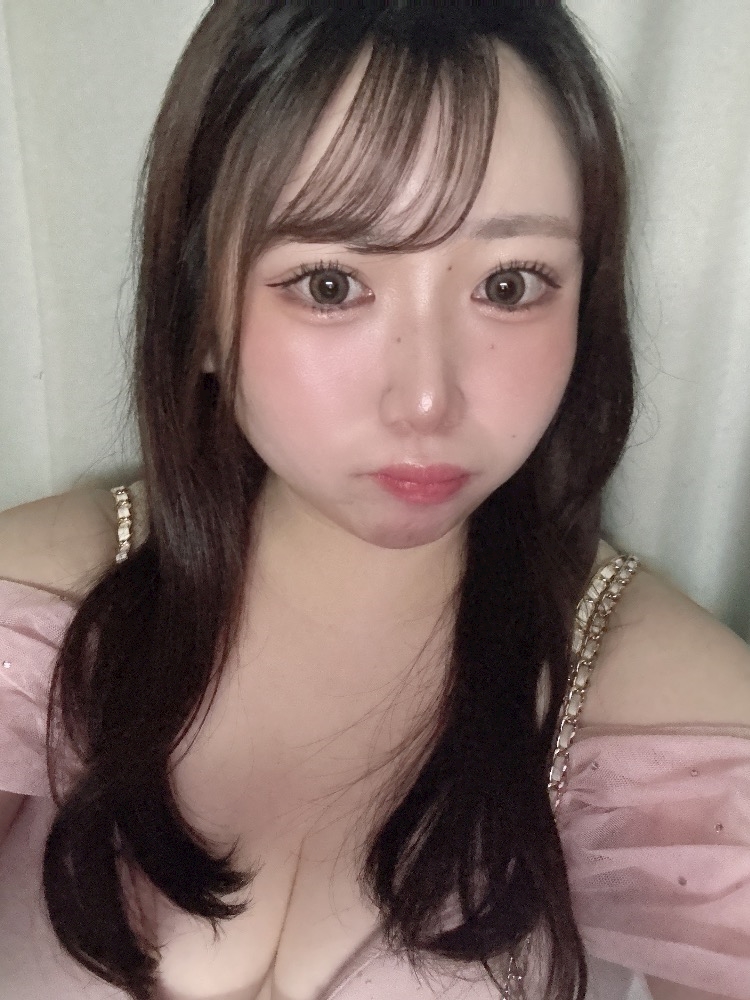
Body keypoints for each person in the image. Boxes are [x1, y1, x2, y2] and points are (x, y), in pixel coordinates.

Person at [0, 3, 748, 999]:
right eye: (330, 285)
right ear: (199, 311)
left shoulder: (680, 734)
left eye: (510, 285)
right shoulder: (34, 618)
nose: (427, 399)